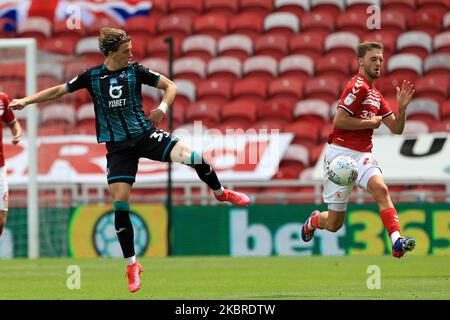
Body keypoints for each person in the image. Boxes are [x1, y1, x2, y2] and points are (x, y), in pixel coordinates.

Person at [8, 27, 249, 293]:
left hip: (146, 136)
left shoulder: (136, 70)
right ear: (111, 53)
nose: (131, 53)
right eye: (126, 51)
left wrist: (162, 108)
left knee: (197, 158)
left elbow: (171, 86)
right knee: (120, 205)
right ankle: (132, 265)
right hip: (118, 150)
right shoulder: (92, 76)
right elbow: (59, 91)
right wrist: (26, 101)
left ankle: (220, 192)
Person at [300, 42, 416, 258]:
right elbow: (339, 120)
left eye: (380, 59)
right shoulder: (358, 86)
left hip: (363, 155)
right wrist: (369, 123)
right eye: (373, 59)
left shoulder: (376, 95)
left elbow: (397, 129)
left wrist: (402, 108)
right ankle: (315, 220)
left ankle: (397, 241)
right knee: (334, 224)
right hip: (340, 155)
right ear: (361, 61)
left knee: (381, 190)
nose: (378, 64)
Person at [0, 92, 22, 237]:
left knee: (2, 217)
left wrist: (17, 133)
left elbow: (14, 123)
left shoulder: (2, 99)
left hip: (0, 166)